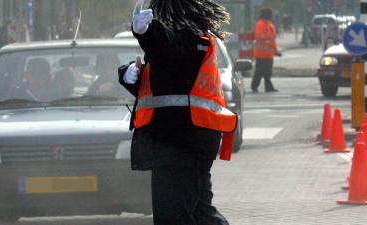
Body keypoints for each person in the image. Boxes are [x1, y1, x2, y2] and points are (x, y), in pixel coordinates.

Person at [118, 0, 236, 224]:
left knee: (173, 217)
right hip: (190, 141)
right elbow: (167, 82)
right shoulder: (194, 40)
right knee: (201, 213)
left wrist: (146, 32)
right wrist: (129, 74)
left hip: (178, 143)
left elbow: (166, 45)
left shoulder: (187, 39)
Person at [251, 8, 281, 93]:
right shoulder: (260, 23)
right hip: (261, 53)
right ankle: (254, 86)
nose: (273, 16)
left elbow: (272, 40)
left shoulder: (270, 24)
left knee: (268, 72)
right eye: (271, 14)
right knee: (259, 71)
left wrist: (275, 50)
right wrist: (267, 36)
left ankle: (268, 87)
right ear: (267, 14)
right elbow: (259, 35)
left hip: (268, 53)